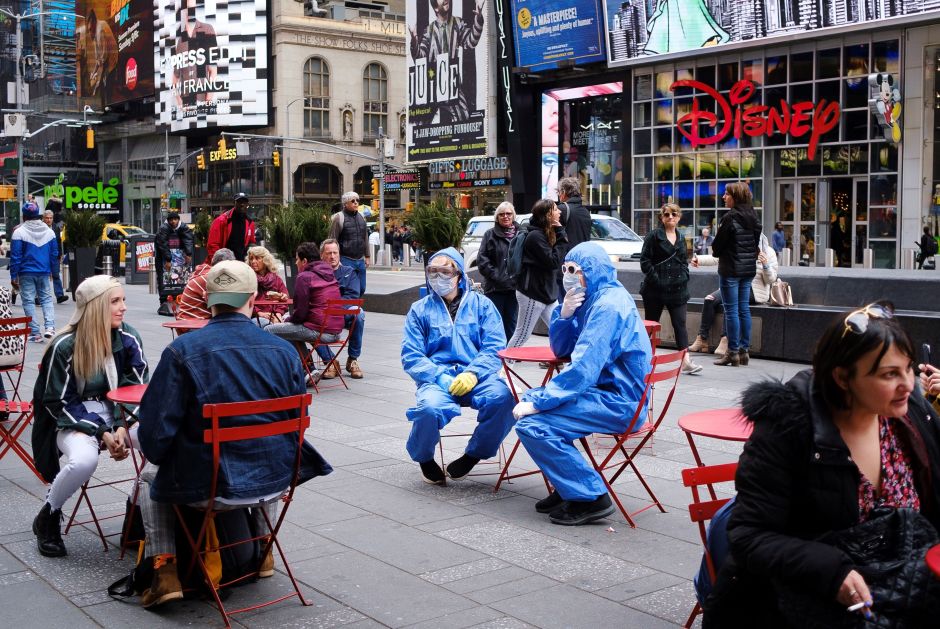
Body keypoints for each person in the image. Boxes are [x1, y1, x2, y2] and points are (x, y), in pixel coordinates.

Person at [708, 302, 940, 626]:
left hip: (907, 585)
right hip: (805, 600)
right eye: (890, 374)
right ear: (843, 378)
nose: (909, 384)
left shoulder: (912, 414)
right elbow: (748, 536)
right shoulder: (788, 427)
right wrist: (832, 571)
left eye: (909, 368)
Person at [135, 260, 332, 608]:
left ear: (208, 300)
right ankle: (265, 552)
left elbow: (154, 440)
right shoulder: (285, 351)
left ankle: (165, 572)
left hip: (212, 487)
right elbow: (294, 417)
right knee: (264, 447)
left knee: (148, 477)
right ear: (253, 298)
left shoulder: (182, 351)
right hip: (276, 480)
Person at [513, 243, 653, 525]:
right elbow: (562, 350)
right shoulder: (593, 298)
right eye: (565, 269)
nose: (568, 276)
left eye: (574, 270)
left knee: (533, 423)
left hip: (618, 402)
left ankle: (589, 496)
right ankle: (568, 485)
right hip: (609, 395)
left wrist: (541, 402)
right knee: (532, 400)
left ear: (591, 272)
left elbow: (583, 368)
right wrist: (564, 315)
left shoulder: (607, 306)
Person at [30, 276, 148, 558]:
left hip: (117, 411)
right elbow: (58, 402)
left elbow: (137, 389)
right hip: (71, 417)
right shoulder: (65, 346)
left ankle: (136, 517)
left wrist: (121, 426)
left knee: (160, 442)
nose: (124, 308)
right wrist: (101, 432)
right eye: (115, 301)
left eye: (124, 300)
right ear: (95, 308)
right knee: (85, 459)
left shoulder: (129, 337)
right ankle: (49, 515)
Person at [401, 248, 514, 484]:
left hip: (478, 377)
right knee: (428, 409)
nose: (438, 277)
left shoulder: (482, 305)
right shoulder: (419, 310)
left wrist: (474, 373)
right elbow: (411, 355)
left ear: (459, 275)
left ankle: (474, 454)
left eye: (445, 271)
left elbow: (494, 346)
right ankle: (424, 458)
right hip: (437, 379)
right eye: (433, 271)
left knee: (504, 399)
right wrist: (439, 376)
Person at [689, 233, 778, 357]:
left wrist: (765, 265)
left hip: (756, 291)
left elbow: (771, 280)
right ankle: (702, 339)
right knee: (709, 299)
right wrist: (699, 259)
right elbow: (718, 258)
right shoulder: (739, 247)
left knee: (730, 300)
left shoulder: (769, 252)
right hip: (735, 286)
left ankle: (725, 339)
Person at [640, 204, 702, 375]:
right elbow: (645, 261)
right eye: (666, 214)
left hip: (678, 289)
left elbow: (683, 260)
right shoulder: (653, 236)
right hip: (655, 290)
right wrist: (657, 280)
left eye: (674, 214)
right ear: (661, 217)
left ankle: (686, 361)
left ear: (679, 217)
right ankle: (644, 359)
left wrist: (685, 275)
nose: (670, 217)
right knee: (651, 325)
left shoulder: (681, 237)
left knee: (680, 324)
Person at [266, 242, 344, 369]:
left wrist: (287, 319)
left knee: (268, 330)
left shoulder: (304, 277)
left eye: (297, 259)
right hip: (336, 331)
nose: (296, 263)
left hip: (319, 331)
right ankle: (308, 369)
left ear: (304, 261)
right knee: (290, 331)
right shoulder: (329, 273)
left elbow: (300, 313)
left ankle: (279, 369)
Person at [408, 0, 485, 123]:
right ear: (436, 8)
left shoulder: (457, 23)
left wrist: (479, 19)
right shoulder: (429, 30)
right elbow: (420, 57)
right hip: (432, 83)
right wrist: (414, 43)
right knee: (421, 122)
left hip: (451, 82)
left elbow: (471, 42)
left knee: (463, 117)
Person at [506, 199, 568, 349]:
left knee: (560, 330)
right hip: (532, 294)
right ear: (548, 215)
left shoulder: (543, 233)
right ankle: (502, 369)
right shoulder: (535, 237)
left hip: (546, 293)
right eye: (556, 210)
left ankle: (562, 364)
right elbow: (553, 262)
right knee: (522, 335)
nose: (559, 212)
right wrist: (561, 234)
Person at [711, 182, 760, 367]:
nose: (724, 197)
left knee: (730, 311)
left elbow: (717, 246)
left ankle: (732, 353)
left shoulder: (730, 217)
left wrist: (718, 251)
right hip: (748, 270)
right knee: (743, 309)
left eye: (726, 194)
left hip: (730, 269)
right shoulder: (754, 216)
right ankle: (744, 351)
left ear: (736, 197)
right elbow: (755, 244)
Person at [316, 239, 364, 379]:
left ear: (339, 254)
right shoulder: (316, 274)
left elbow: (353, 296)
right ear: (321, 255)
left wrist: (333, 307)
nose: (332, 256)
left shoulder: (349, 272)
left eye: (335, 253)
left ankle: (353, 359)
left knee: (359, 313)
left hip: (343, 313)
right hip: (322, 315)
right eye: (329, 253)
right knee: (308, 319)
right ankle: (330, 361)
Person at [10, 202, 57, 342]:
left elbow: (15, 256)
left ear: (24, 216)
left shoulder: (19, 232)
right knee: (46, 299)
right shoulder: (50, 232)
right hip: (43, 271)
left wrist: (14, 275)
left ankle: (35, 333)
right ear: (38, 215)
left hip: (26, 272)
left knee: (28, 301)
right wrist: (52, 272)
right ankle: (50, 327)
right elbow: (54, 254)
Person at [476, 202, 520, 340]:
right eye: (501, 214)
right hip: (495, 287)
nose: (505, 216)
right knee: (494, 320)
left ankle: (511, 353)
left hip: (515, 287)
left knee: (512, 321)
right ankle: (495, 349)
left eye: (508, 213)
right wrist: (497, 276)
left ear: (513, 215)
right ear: (497, 217)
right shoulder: (489, 235)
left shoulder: (522, 234)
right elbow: (482, 260)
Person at [328, 192, 370, 296]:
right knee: (347, 288)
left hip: (360, 259)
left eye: (357, 200)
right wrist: (336, 259)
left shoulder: (362, 217)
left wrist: (367, 256)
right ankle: (350, 310)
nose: (356, 203)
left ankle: (354, 308)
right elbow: (332, 240)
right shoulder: (339, 218)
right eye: (353, 201)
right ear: (345, 204)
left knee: (362, 288)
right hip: (345, 259)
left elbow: (365, 238)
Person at [176, 248, 235, 320]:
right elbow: (223, 305)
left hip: (187, 320)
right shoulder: (211, 278)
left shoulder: (205, 273)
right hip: (192, 323)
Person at [155, 211, 194, 316]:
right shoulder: (163, 229)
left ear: (178, 220)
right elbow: (162, 244)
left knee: (181, 279)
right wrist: (168, 260)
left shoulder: (184, 227)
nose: (173, 222)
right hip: (164, 259)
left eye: (175, 219)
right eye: (171, 220)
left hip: (180, 259)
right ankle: (163, 302)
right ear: (168, 221)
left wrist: (189, 254)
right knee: (164, 279)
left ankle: (180, 301)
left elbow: (188, 240)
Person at [206, 193, 256, 262]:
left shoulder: (250, 223)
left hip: (241, 263)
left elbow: (251, 243)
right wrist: (218, 263)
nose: (242, 204)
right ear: (234, 203)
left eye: (244, 202)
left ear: (247, 204)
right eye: (239, 202)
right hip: (224, 263)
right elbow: (212, 245)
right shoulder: (221, 221)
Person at [247, 246, 289, 325]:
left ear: (265, 260)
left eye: (257, 258)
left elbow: (285, 299)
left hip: (275, 315)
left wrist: (278, 313)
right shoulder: (248, 279)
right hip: (255, 317)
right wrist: (259, 313)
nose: (253, 261)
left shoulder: (276, 279)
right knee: (265, 324)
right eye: (251, 258)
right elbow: (245, 302)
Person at [41, 210, 68, 304]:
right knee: (42, 276)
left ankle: (59, 295)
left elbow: (58, 241)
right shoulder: (39, 227)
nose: (49, 220)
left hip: (54, 255)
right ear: (43, 218)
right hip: (42, 255)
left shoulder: (56, 227)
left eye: (50, 218)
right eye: (47, 218)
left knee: (56, 275)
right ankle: (40, 296)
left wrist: (60, 254)